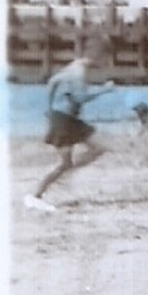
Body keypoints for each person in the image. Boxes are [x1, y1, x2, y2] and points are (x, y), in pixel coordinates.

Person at [25, 33, 116, 212]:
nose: (106, 62)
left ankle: (59, 179)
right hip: (64, 121)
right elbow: (80, 97)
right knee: (74, 159)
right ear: (97, 54)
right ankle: (35, 195)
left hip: (65, 118)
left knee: (87, 153)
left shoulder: (73, 66)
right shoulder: (79, 72)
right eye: (105, 57)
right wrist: (104, 90)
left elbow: (52, 82)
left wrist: (49, 107)